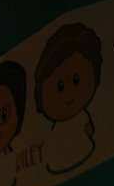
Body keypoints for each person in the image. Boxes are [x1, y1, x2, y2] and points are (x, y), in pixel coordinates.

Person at [35, 22, 101, 175]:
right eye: (60, 87)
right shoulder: (58, 128)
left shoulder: (79, 117)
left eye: (76, 80)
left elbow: (88, 128)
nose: (69, 94)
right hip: (60, 159)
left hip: (81, 149)